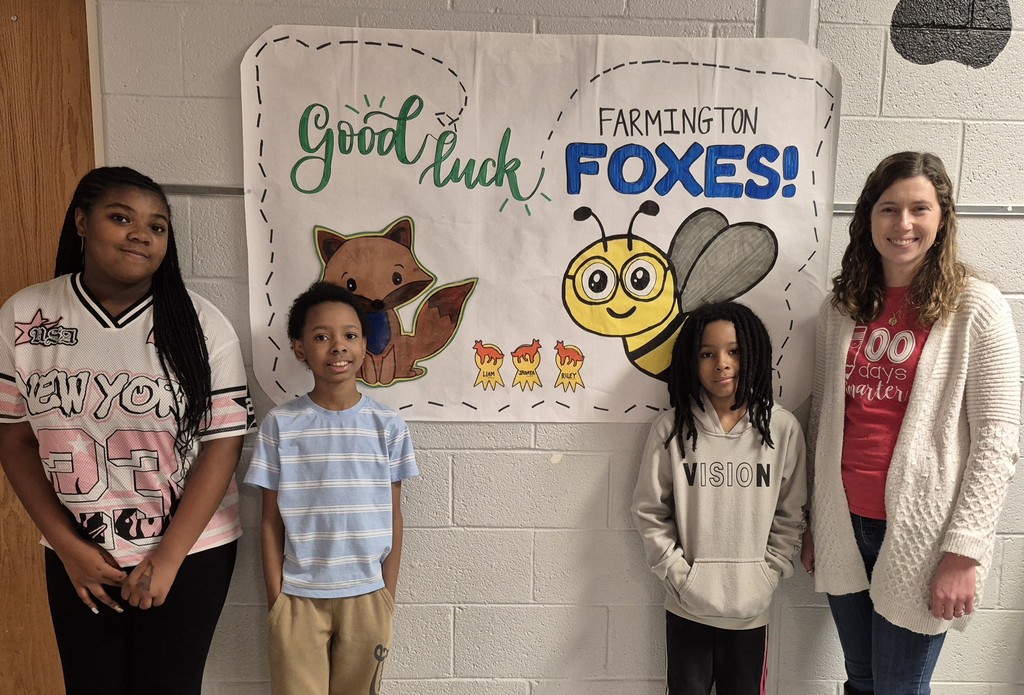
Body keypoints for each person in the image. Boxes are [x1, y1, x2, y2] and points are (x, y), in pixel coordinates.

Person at [0, 166, 254, 694]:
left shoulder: (202, 325)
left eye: (157, 227)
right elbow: (15, 438)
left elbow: (221, 448)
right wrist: (67, 547)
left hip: (190, 551)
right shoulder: (26, 315)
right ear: (82, 223)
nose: (141, 234)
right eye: (121, 218)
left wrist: (167, 558)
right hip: (79, 552)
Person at [801, 151, 1021, 695]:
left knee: (899, 688)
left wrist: (964, 550)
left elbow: (998, 439)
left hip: (924, 536)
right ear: (868, 219)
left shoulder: (977, 307)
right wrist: (813, 519)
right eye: (888, 208)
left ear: (942, 218)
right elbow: (822, 420)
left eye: (919, 209)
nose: (903, 224)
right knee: (862, 680)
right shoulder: (842, 307)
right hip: (843, 522)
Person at [246, 281, 418, 695]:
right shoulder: (281, 426)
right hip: (299, 599)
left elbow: (393, 515)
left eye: (350, 335)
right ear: (300, 349)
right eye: (321, 336)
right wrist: (278, 601)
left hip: (368, 597)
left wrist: (385, 597)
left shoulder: (388, 425)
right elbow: (270, 522)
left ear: (364, 345)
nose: (337, 346)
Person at [632, 301, 806, 695]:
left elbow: (790, 513)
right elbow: (649, 511)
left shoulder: (782, 429)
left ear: (754, 354)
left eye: (734, 351)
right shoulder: (671, 429)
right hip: (686, 607)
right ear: (692, 361)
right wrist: (680, 576)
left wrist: (769, 574)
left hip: (751, 611)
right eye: (708, 354)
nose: (721, 364)